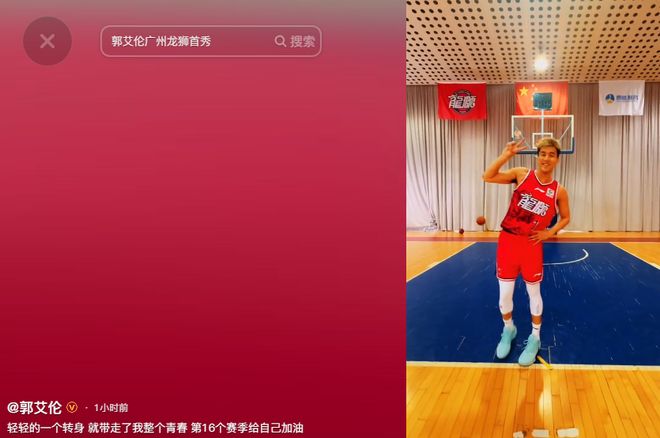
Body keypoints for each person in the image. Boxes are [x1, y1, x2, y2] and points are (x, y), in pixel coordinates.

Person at [482, 137, 571, 366]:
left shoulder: (559, 191)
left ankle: (535, 337)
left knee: (534, 293)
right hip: (508, 242)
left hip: (531, 246)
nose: (546, 158)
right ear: (537, 156)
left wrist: (549, 232)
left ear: (557, 159)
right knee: (504, 294)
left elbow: (566, 217)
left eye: (551, 155)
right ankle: (509, 329)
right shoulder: (522, 174)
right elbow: (487, 176)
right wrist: (505, 156)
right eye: (543, 154)